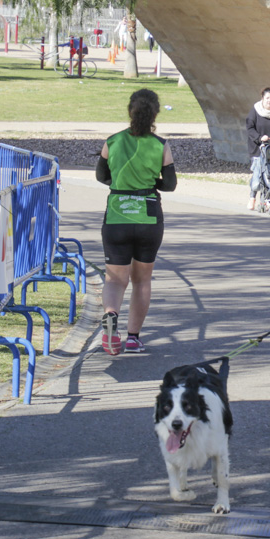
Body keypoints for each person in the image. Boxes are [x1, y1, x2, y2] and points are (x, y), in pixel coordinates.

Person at [95, 88, 176, 355]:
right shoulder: (161, 145)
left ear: (130, 111)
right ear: (156, 114)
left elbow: (100, 175)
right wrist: (149, 183)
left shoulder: (113, 141)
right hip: (148, 217)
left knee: (115, 279)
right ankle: (133, 338)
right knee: (142, 280)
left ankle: (110, 316)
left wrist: (120, 184)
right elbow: (171, 185)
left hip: (117, 215)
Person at [245, 87, 270, 210]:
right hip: (258, 149)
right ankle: (252, 197)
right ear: (262, 98)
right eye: (267, 98)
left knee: (269, 175)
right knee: (258, 174)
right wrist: (259, 138)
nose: (269, 100)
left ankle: (266, 199)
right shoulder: (255, 111)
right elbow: (250, 128)